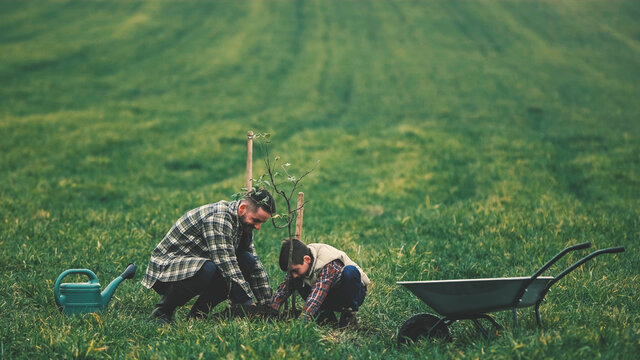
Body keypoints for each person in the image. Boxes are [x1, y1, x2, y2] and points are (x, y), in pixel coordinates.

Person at [141, 189, 276, 324]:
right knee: (208, 269)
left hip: (196, 266)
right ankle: (162, 312)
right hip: (165, 271)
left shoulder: (243, 223)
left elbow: (255, 264)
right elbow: (225, 263)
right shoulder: (219, 218)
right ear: (242, 208)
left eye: (261, 223)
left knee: (247, 260)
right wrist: (246, 301)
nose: (258, 227)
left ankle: (199, 314)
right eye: (256, 220)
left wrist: (268, 303)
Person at [270, 239, 370, 328]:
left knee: (350, 272)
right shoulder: (300, 260)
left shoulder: (328, 261)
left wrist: (303, 319)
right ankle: (326, 319)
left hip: (351, 292)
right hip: (329, 294)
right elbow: (284, 289)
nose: (294, 275)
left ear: (307, 259)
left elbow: (318, 293)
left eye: (295, 270)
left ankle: (348, 315)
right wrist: (272, 310)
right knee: (295, 280)